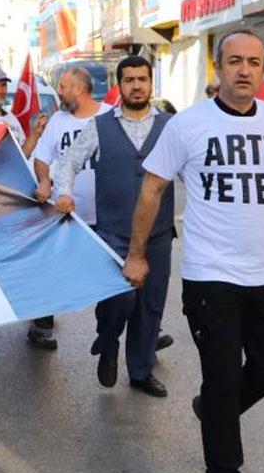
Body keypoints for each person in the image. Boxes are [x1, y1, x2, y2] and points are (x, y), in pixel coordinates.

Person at [122, 30, 264, 473]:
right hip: (210, 275)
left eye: (253, 62)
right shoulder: (187, 126)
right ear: (218, 68)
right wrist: (137, 255)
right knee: (220, 375)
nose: (244, 70)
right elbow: (153, 190)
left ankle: (214, 408)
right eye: (234, 61)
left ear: (263, 70)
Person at [51, 57, 177, 396]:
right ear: (118, 85)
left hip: (158, 234)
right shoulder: (99, 125)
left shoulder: (171, 126)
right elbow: (69, 162)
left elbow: (192, 171)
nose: (136, 85)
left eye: (142, 79)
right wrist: (64, 192)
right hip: (113, 232)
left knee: (150, 305)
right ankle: (107, 343)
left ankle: (140, 371)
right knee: (119, 298)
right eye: (129, 79)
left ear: (151, 84)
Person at [30, 67, 113, 351]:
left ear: (79, 88)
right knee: (51, 270)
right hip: (63, 214)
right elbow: (41, 157)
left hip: (106, 215)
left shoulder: (111, 117)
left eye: (63, 86)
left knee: (111, 275)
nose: (59, 92)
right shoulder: (58, 121)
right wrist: (43, 181)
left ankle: (113, 337)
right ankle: (41, 326)